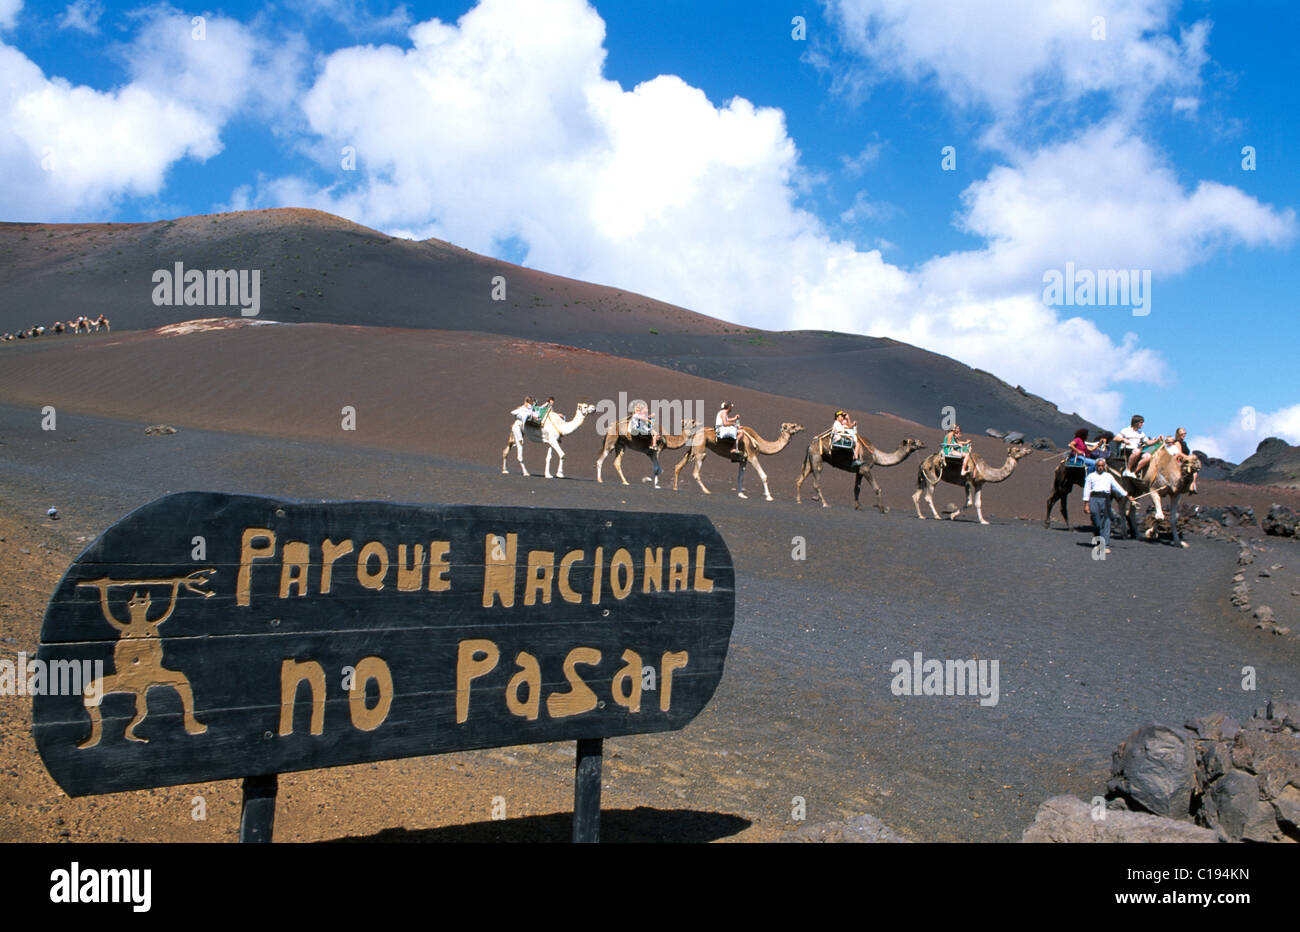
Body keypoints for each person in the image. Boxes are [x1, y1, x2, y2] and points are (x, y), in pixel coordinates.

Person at [1081, 457, 1129, 554]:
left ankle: (1105, 544)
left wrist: (1127, 495)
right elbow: (1087, 489)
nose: (1100, 467)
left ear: (1104, 466)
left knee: (1106, 522)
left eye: (1102, 466)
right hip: (1094, 498)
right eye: (1098, 466)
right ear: (1096, 466)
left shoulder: (1109, 476)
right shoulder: (1091, 476)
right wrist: (1086, 504)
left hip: (1105, 499)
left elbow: (1116, 486)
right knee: (1097, 522)